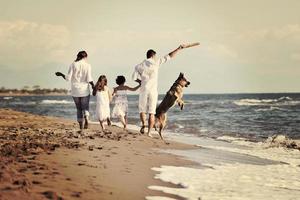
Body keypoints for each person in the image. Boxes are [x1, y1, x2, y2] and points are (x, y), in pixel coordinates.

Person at [132, 45, 185, 137]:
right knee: (152, 112)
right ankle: (149, 133)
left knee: (142, 110)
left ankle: (143, 125)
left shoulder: (139, 66)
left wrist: (141, 82)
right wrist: (179, 48)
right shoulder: (156, 63)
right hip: (153, 91)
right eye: (155, 56)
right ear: (153, 56)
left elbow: (133, 78)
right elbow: (169, 56)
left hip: (143, 90)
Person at [55, 51, 94, 132]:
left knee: (79, 109)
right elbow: (89, 78)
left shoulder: (73, 64)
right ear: (85, 57)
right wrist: (93, 86)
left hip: (75, 90)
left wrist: (61, 74)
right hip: (85, 90)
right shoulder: (88, 65)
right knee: (85, 107)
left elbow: (68, 78)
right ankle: (86, 117)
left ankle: (81, 127)